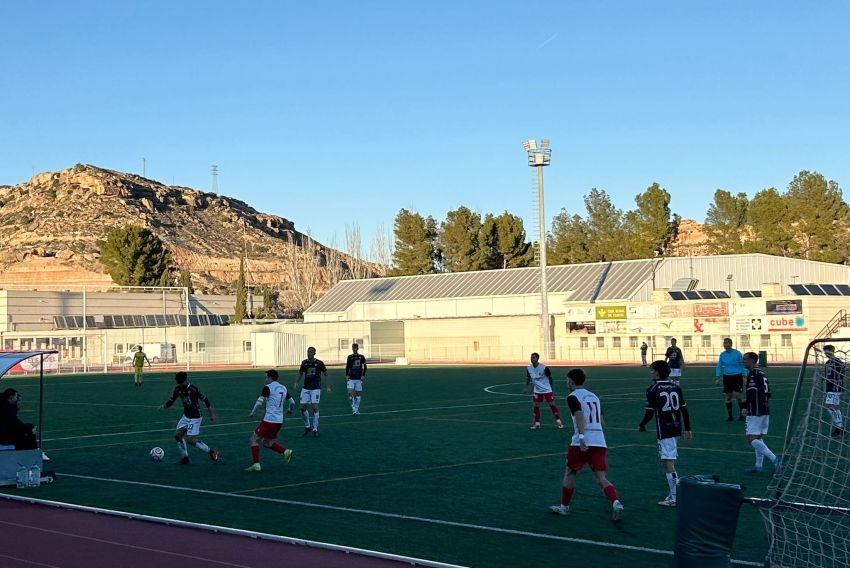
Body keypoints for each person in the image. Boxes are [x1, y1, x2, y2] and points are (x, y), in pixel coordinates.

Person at [550, 368, 624, 520]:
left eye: (567, 380)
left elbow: (578, 415)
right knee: (601, 478)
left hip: (581, 441)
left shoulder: (572, 397)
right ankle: (615, 502)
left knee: (570, 472)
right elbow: (602, 423)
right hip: (599, 440)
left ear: (571, 381)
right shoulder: (594, 396)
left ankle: (564, 508)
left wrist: (582, 436)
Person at [638, 360, 693, 507]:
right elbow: (684, 409)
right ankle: (673, 493)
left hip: (665, 428)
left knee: (668, 462)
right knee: (667, 460)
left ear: (656, 372)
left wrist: (642, 424)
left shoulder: (653, 389)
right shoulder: (675, 387)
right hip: (675, 426)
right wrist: (687, 428)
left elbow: (649, 412)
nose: (650, 373)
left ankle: (675, 496)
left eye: (651, 370)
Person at [160, 371, 219, 464]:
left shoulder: (193, 389)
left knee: (190, 440)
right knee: (178, 436)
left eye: (179, 381)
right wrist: (165, 405)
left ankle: (212, 452)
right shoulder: (177, 389)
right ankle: (185, 458)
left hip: (195, 417)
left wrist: (212, 414)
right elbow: (172, 400)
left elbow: (206, 400)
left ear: (184, 380)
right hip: (186, 416)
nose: (178, 383)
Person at [245, 369, 295, 472]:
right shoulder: (283, 388)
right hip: (279, 421)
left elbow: (259, 402)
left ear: (270, 378)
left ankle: (256, 465)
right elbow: (292, 402)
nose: (265, 379)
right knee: (267, 443)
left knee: (253, 439)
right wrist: (290, 409)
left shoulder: (268, 387)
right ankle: (286, 451)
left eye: (266, 377)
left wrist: (252, 412)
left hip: (269, 420)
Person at [743, 352, 780, 473]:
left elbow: (752, 393)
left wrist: (745, 406)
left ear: (752, 360)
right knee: (758, 437)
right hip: (764, 408)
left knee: (751, 439)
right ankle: (758, 466)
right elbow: (768, 393)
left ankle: (775, 459)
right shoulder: (762, 373)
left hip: (755, 410)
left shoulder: (753, 375)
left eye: (745, 359)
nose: (743, 361)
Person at [295, 346, 331, 437]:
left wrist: (328, 386)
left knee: (315, 407)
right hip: (305, 388)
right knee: (302, 408)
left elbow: (326, 374)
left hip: (315, 388)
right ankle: (307, 426)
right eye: (308, 351)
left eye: (311, 352)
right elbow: (300, 373)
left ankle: (315, 429)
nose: (309, 353)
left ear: (314, 353)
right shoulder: (304, 363)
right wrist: (297, 382)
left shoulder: (319, 363)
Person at [524, 352, 563, 430]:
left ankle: (559, 421)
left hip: (547, 389)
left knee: (552, 404)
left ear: (537, 359)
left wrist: (551, 389)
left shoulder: (544, 367)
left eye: (534, 357)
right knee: (536, 405)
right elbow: (528, 378)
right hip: (537, 391)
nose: (532, 359)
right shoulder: (529, 368)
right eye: (531, 357)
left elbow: (550, 378)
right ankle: (537, 423)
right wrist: (526, 387)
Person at [716, 338, 746, 422]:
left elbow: (742, 365)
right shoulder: (722, 355)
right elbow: (719, 366)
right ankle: (730, 416)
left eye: (727, 343)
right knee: (728, 397)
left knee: (738, 396)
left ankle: (741, 414)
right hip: (727, 377)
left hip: (737, 376)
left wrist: (744, 376)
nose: (725, 344)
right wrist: (717, 377)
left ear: (731, 344)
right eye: (724, 343)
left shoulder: (737, 354)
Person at [822, 345, 846, 436]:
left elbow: (842, 372)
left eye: (827, 351)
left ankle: (839, 426)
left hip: (835, 387)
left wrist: (838, 380)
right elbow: (827, 374)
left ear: (832, 351)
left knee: (829, 406)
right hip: (830, 387)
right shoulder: (828, 362)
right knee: (834, 407)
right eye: (824, 352)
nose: (825, 353)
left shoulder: (837, 361)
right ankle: (840, 427)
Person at [345, 343, 367, 415]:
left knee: (358, 395)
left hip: (358, 379)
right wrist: (347, 375)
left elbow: (365, 366)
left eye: (355, 348)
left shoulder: (361, 357)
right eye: (353, 348)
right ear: (352, 348)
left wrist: (363, 375)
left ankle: (356, 409)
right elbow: (347, 367)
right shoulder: (350, 357)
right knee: (350, 394)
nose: (354, 349)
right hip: (351, 378)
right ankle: (354, 408)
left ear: (357, 348)